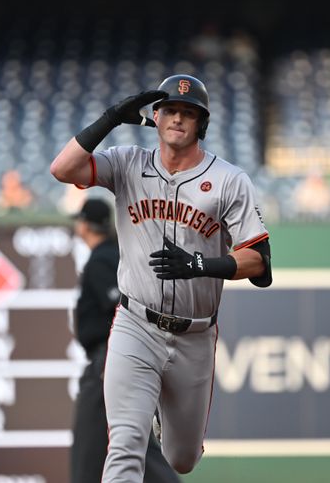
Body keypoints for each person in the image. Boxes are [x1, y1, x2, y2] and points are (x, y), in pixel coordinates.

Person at [50, 74, 272, 481]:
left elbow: (259, 262)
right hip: (136, 324)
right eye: (170, 109)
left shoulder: (228, 180)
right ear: (155, 115)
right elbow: (62, 168)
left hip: (194, 334)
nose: (178, 118)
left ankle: (162, 419)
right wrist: (110, 118)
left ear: (200, 124)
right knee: (124, 445)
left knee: (182, 458)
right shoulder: (128, 162)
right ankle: (142, 413)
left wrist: (200, 265)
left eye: (189, 113)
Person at [69, 198, 179, 483]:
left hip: (111, 357)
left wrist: (117, 358)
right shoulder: (114, 254)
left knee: (92, 448)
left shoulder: (103, 258)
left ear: (85, 225)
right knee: (131, 443)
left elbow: (120, 306)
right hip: (119, 355)